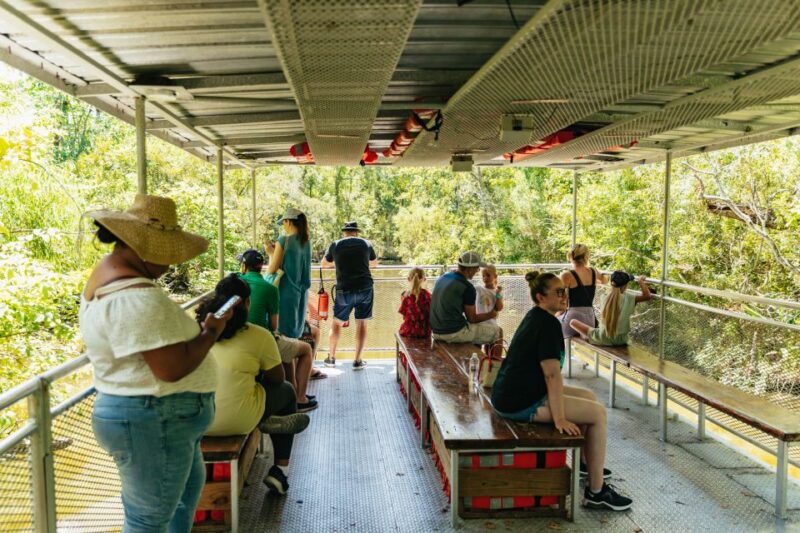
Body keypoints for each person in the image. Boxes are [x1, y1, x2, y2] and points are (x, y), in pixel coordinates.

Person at [80, 194, 233, 532]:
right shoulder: (133, 296)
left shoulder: (111, 278)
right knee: (148, 521)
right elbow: (170, 368)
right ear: (141, 249)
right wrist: (210, 332)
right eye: (166, 255)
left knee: (176, 505)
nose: (169, 265)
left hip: (162, 418)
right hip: (155, 417)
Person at [490, 271, 632, 511]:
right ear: (540, 297)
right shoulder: (546, 325)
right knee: (597, 414)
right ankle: (596, 492)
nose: (564, 295)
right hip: (519, 402)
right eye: (558, 292)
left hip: (517, 392)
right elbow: (552, 376)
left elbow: (550, 377)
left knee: (589, 398)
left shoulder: (539, 316)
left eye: (564, 291)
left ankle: (585, 464)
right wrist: (560, 418)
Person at [199, 274, 310, 495]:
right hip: (238, 420)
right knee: (287, 391)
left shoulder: (197, 332)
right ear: (247, 303)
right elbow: (277, 379)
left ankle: (268, 420)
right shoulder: (258, 335)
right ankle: (280, 469)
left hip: (196, 419)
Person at [238, 249, 317, 412]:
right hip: (261, 341)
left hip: (237, 338)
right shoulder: (269, 288)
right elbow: (274, 326)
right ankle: (300, 399)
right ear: (261, 267)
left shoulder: (236, 283)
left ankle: (292, 396)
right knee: (306, 349)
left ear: (244, 266)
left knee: (286, 353)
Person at [321, 221, 378, 370]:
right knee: (361, 323)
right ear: (356, 232)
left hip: (344, 289)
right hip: (365, 288)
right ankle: (358, 360)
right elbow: (374, 264)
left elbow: (324, 264)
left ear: (344, 232)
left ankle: (331, 358)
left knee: (337, 323)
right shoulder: (366, 244)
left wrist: (337, 264)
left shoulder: (335, 244)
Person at [430, 251, 501, 345]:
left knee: (475, 329)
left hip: (435, 331)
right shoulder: (467, 287)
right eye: (477, 268)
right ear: (470, 269)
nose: (477, 271)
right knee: (498, 331)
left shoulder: (443, 277)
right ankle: (497, 360)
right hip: (453, 333)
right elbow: (472, 319)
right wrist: (492, 314)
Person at [570, 271, 652, 346]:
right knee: (593, 330)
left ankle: (586, 336)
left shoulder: (604, 297)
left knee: (573, 322)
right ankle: (588, 336)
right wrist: (641, 282)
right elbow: (647, 296)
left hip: (602, 338)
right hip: (621, 340)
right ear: (626, 285)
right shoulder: (630, 298)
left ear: (611, 283)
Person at [559, 244, 607, 338]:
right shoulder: (594, 271)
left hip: (573, 318)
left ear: (571, 256)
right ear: (586, 257)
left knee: (553, 322)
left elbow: (558, 294)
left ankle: (559, 352)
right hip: (590, 319)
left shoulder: (567, 275)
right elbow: (604, 280)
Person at [398, 267, 432, 338]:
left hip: (409, 331)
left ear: (408, 279)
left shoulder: (405, 295)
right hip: (425, 331)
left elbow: (405, 316)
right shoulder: (428, 295)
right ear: (424, 279)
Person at [475, 264, 503, 330]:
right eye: (483, 276)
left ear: (495, 276)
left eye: (488, 275)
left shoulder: (497, 292)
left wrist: (498, 294)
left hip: (491, 323)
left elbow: (499, 308)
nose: (485, 278)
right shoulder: (478, 288)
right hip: (479, 322)